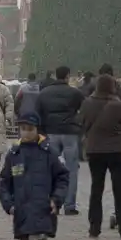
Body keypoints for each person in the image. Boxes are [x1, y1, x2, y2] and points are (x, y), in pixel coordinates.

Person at [0, 112, 69, 240]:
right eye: (23, 129)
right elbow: (5, 182)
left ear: (37, 129)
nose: (26, 133)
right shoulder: (14, 155)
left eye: (30, 129)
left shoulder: (49, 152)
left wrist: (56, 199)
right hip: (21, 212)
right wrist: (9, 205)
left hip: (43, 209)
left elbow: (62, 177)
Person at [79, 73, 121, 238]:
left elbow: (80, 121)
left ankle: (94, 227)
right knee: (119, 189)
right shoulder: (116, 104)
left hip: (95, 149)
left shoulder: (87, 103)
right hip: (115, 149)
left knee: (96, 188)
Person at [36, 65, 84, 215]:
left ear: (55, 75)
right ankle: (70, 205)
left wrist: (41, 132)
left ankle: (54, 203)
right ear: (67, 76)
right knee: (71, 169)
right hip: (70, 132)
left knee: (51, 168)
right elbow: (83, 111)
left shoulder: (44, 93)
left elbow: (38, 113)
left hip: (51, 132)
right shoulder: (75, 93)